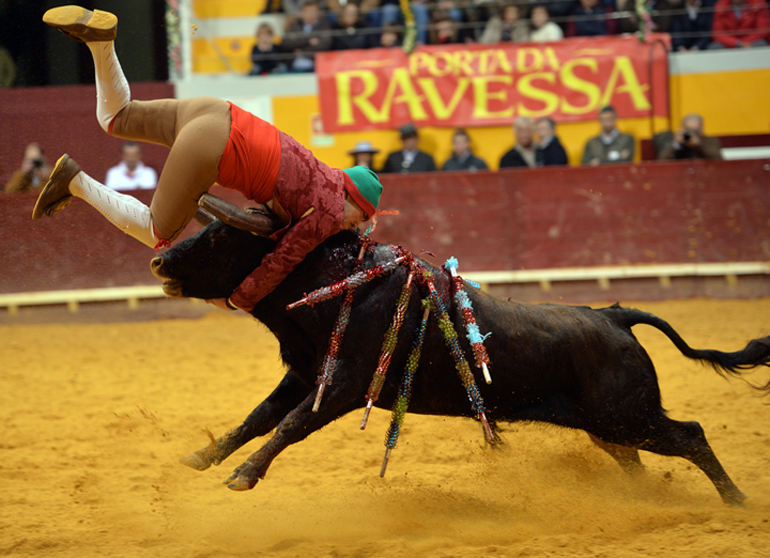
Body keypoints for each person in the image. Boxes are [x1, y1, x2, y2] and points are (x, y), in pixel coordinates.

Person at [33, 5, 383, 314]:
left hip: (214, 109)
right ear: (351, 197)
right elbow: (281, 262)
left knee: (116, 117)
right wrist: (237, 300)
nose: (351, 226)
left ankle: (101, 42)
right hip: (213, 146)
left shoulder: (321, 174)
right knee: (157, 232)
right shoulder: (328, 210)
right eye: (358, 218)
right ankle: (74, 181)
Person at [281, 0, 332, 72]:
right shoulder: (295, 25)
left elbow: (325, 45)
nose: (311, 14)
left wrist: (302, 51)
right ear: (302, 13)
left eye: (313, 11)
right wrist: (308, 40)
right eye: (308, 11)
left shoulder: (324, 25)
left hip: (316, 64)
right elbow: (286, 43)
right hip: (293, 65)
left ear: (318, 13)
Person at [657, 114, 723, 160]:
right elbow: (662, 161)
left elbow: (717, 158)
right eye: (689, 130)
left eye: (695, 130)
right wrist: (676, 145)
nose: (692, 134)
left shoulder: (710, 141)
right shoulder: (679, 141)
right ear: (683, 129)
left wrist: (698, 145)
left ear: (702, 129)